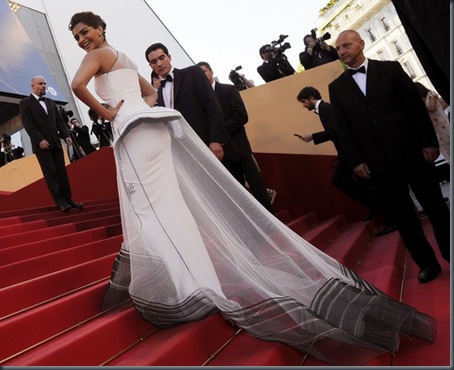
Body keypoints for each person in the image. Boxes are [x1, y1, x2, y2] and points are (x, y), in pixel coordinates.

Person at [68, 12, 437, 366]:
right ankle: (198, 278)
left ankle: (182, 287)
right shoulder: (125, 59)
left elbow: (76, 86)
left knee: (148, 208)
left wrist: (111, 113)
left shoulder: (99, 55)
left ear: (101, 28)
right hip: (149, 129)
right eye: (76, 37)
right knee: (166, 205)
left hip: (133, 132)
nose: (82, 40)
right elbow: (150, 94)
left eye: (85, 31)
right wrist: (135, 107)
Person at [328, 30, 450, 284]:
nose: (341, 51)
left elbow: (414, 107)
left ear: (361, 44)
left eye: (346, 45)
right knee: (404, 218)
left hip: (412, 151)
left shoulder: (391, 69)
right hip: (377, 164)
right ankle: (427, 264)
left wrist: (428, 142)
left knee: (436, 207)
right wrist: (356, 161)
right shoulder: (336, 88)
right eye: (338, 48)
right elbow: (344, 129)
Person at [296, 86, 396, 236]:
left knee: (341, 181)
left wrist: (312, 136)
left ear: (311, 97)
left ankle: (383, 213)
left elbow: (335, 131)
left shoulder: (324, 109)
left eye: (304, 101)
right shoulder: (324, 108)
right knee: (361, 183)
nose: (303, 106)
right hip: (347, 154)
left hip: (348, 154)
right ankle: (377, 208)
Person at [197, 61, 273, 213]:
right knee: (238, 192)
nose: (203, 76)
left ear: (211, 72)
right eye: (199, 75)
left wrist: (218, 132)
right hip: (223, 154)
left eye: (204, 71)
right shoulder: (200, 101)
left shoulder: (228, 89)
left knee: (256, 185)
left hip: (240, 148)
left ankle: (273, 220)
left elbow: (241, 116)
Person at [145, 42, 228, 162]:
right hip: (182, 151)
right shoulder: (159, 92)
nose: (159, 64)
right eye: (154, 62)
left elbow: (212, 106)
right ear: (150, 66)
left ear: (169, 57)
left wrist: (216, 140)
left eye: (162, 58)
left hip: (206, 143)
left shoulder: (192, 73)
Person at [19, 76, 84, 211]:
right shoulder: (25, 103)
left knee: (62, 172)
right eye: (40, 83)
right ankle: (60, 202)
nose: (44, 86)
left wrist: (66, 135)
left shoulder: (50, 102)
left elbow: (59, 121)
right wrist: (39, 139)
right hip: (41, 146)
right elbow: (28, 124)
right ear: (32, 85)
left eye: (45, 83)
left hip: (56, 143)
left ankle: (68, 199)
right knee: (51, 174)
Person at [414, 82, 450, 165]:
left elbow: (432, 107)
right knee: (445, 147)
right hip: (436, 129)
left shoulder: (430, 95)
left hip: (442, 125)